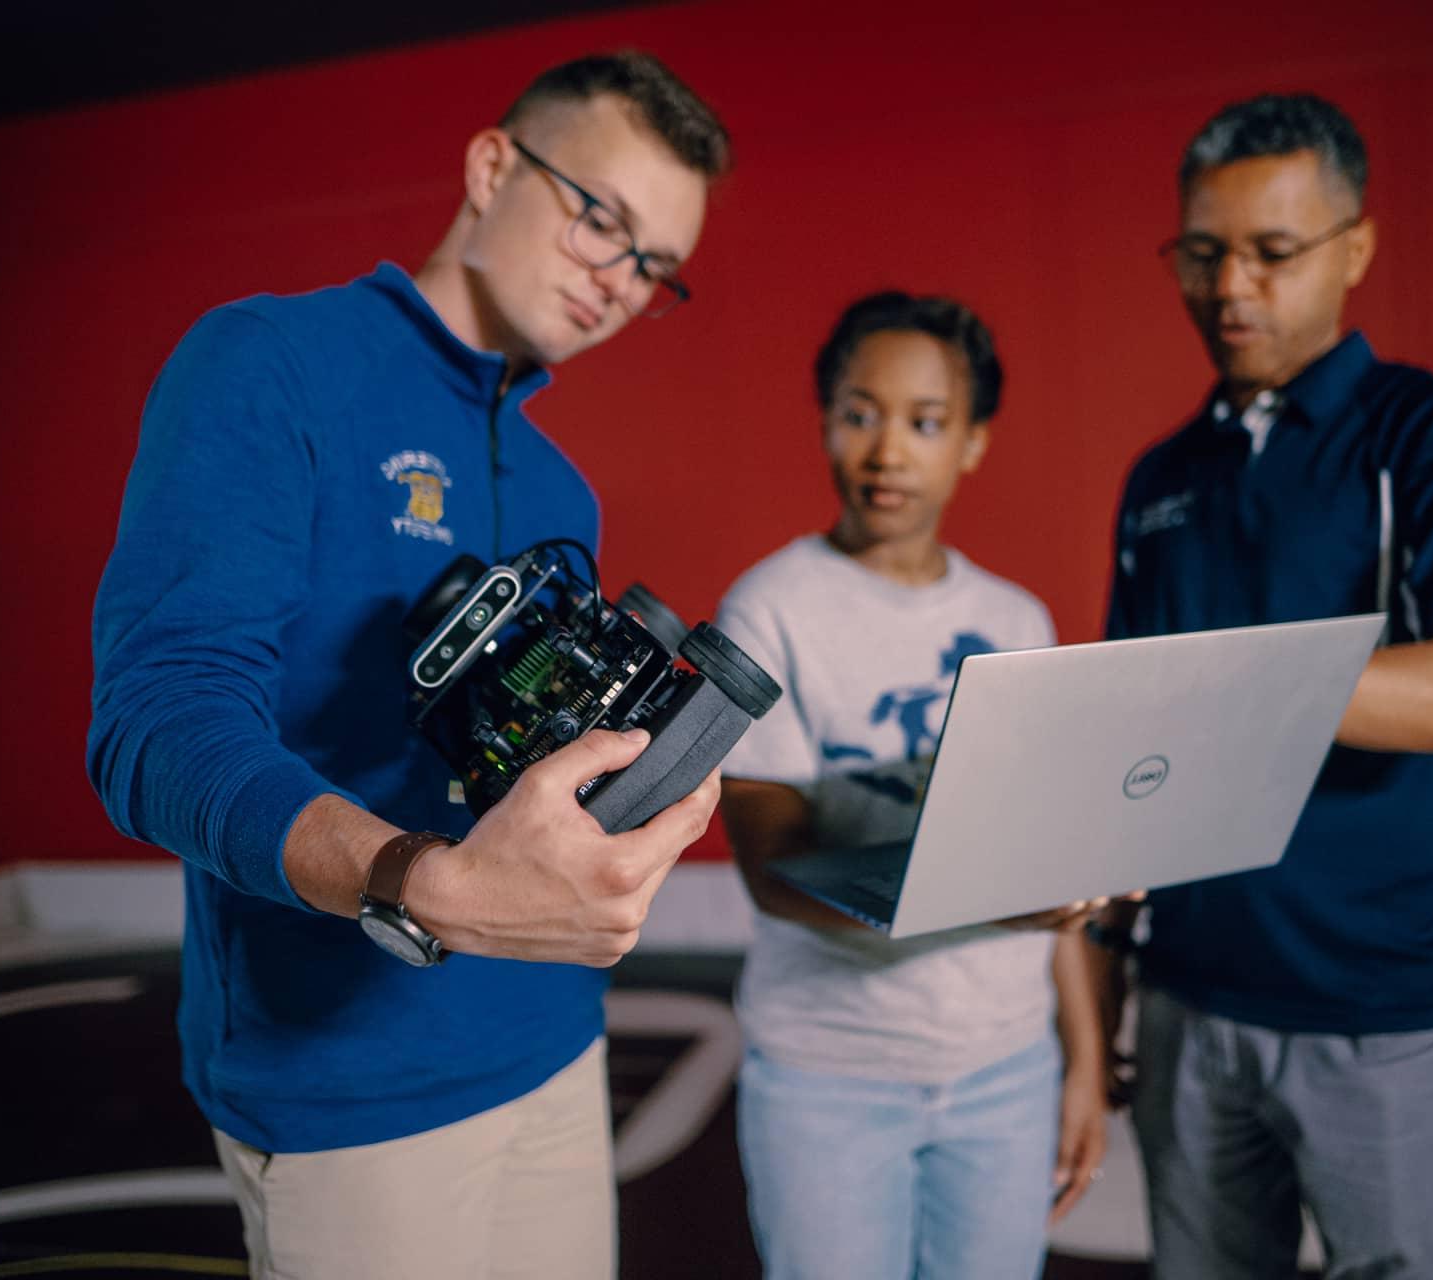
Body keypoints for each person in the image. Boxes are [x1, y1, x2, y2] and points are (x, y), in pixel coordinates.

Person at [87, 52, 731, 1280]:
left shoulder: (562, 490)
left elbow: (527, 786)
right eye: (604, 220)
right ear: (495, 166)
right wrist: (421, 881)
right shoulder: (266, 364)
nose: (619, 280)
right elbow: (154, 725)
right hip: (346, 1089)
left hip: (552, 1039)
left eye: (655, 267)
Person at [1103, 92, 1433, 1278]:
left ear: (1356, 247)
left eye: (1271, 252)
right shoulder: (1158, 478)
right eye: (1201, 253)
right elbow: (1118, 762)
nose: (1229, 286)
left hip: (1388, 1006)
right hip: (1190, 996)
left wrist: (1229, 677)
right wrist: (1096, 1012)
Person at [715, 292, 1110, 1280]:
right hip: (830, 1073)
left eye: (926, 421)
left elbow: (1055, 883)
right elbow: (775, 874)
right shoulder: (768, 610)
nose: (888, 449)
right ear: (824, 420)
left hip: (1007, 1067)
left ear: (973, 442)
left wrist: (1085, 1062)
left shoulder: (1018, 620)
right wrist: (998, 897)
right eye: (860, 412)